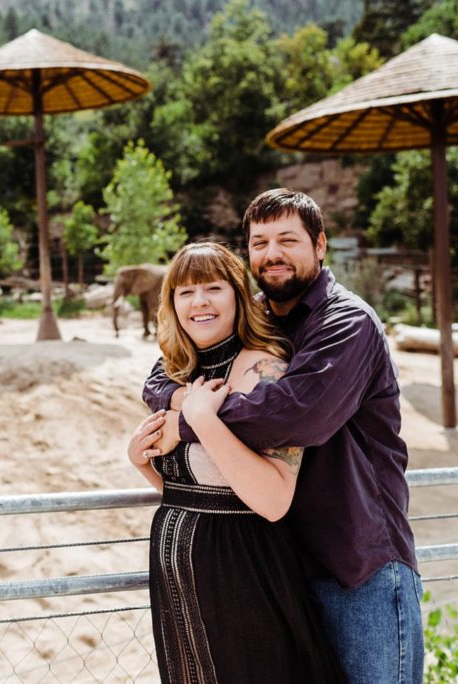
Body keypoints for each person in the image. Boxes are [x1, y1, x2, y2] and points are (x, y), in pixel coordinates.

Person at [141, 188, 423, 683]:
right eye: (259, 242)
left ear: (320, 245)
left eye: (287, 240)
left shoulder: (345, 320)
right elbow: (162, 375)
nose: (271, 254)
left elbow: (295, 415)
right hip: (284, 560)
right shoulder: (262, 318)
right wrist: (176, 401)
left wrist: (186, 425)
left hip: (356, 563)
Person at [127, 241, 343, 683]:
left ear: (238, 296)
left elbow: (273, 499)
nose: (199, 301)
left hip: (243, 579)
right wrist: (143, 464)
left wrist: (202, 420)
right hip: (183, 587)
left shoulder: (263, 370)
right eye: (185, 292)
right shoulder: (178, 372)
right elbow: (198, 495)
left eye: (213, 288)